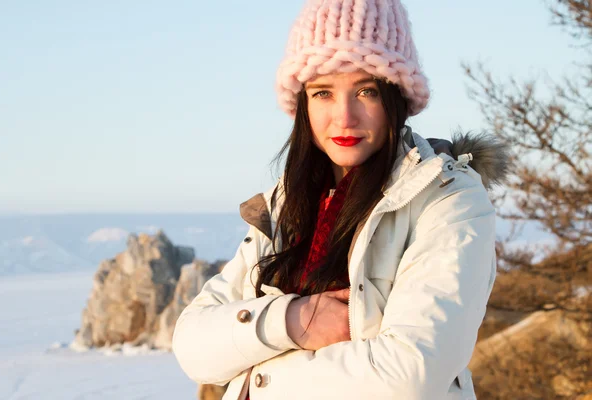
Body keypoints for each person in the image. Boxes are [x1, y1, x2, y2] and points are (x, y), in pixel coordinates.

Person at [173, 0, 508, 399]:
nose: (344, 117)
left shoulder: (448, 199)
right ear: (303, 104)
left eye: (365, 90)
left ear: (396, 98)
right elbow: (193, 348)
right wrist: (294, 322)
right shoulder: (285, 206)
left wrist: (258, 374)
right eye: (323, 93)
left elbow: (409, 375)